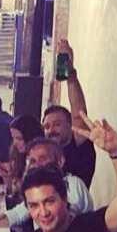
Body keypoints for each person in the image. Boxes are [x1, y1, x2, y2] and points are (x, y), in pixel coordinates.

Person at [42, 39, 96, 187]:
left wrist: (70, 74)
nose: (51, 130)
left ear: (70, 126)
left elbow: (79, 114)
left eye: (57, 124)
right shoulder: (46, 154)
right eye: (46, 126)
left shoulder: (78, 146)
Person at [4, 138, 93, 224]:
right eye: (33, 161)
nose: (37, 165)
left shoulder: (73, 183)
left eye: (42, 159)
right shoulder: (37, 189)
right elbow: (17, 214)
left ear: (60, 161)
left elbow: (66, 217)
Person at [0, 114, 44, 197]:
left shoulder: (40, 162)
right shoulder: (19, 156)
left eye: (19, 138)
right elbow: (13, 193)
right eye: (13, 138)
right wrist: (6, 176)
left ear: (31, 137)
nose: (15, 143)